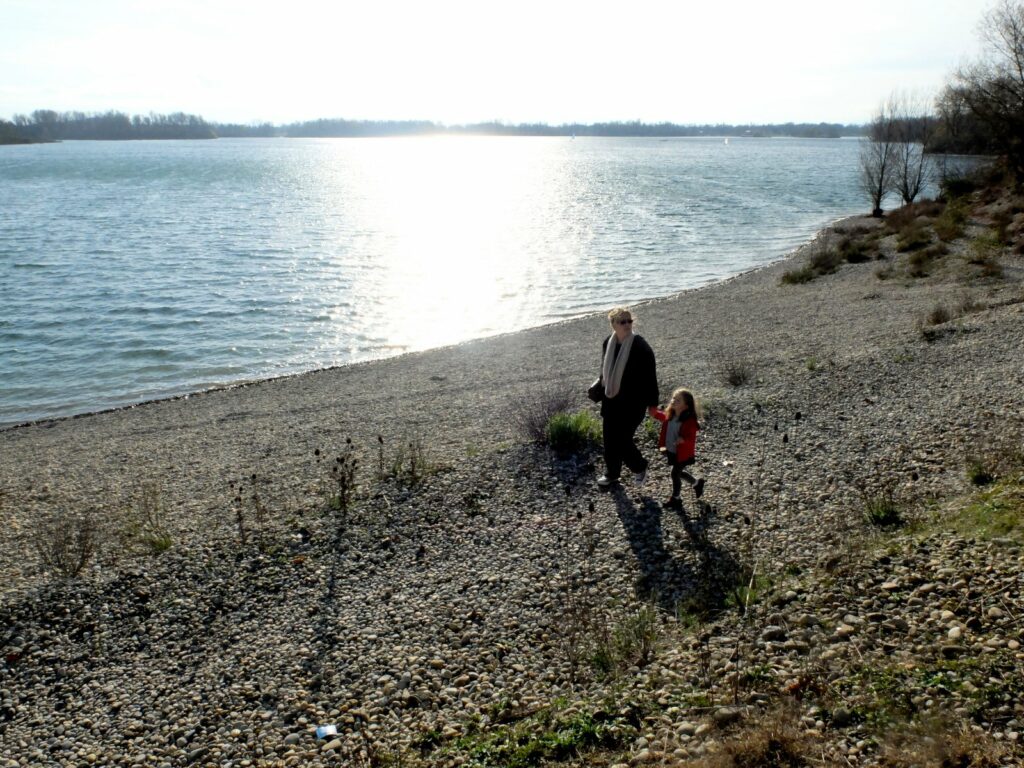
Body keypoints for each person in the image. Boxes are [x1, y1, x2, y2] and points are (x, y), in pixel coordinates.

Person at [593, 307, 659, 488]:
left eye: (629, 321)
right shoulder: (608, 342)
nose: (627, 325)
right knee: (609, 440)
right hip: (611, 399)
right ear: (613, 324)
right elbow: (604, 369)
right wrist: (599, 386)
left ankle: (640, 467)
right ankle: (612, 474)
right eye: (623, 322)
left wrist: (653, 404)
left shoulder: (640, 346)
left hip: (633, 403)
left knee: (622, 440)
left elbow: (650, 376)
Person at [650, 387, 705, 507]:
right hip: (672, 451)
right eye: (674, 398)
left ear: (686, 406)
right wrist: (654, 413)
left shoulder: (689, 421)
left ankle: (676, 499)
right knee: (678, 472)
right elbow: (662, 417)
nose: (674, 400)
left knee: (675, 474)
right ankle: (696, 483)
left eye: (678, 400)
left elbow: (691, 435)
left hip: (683, 453)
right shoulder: (670, 415)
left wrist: (683, 439)